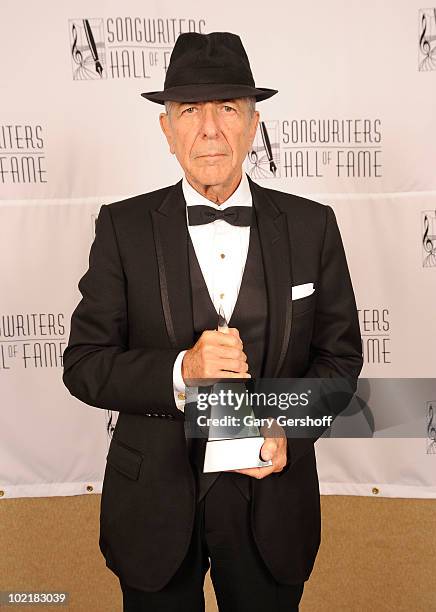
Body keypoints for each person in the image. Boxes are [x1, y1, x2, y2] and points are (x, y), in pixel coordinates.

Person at [62, 31, 363, 612]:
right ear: (166, 128)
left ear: (254, 124)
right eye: (189, 111)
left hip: (270, 505)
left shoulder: (312, 226)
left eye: (228, 108)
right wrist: (181, 370)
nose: (209, 129)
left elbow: (341, 363)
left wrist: (287, 430)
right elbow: (85, 365)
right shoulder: (121, 228)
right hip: (153, 501)